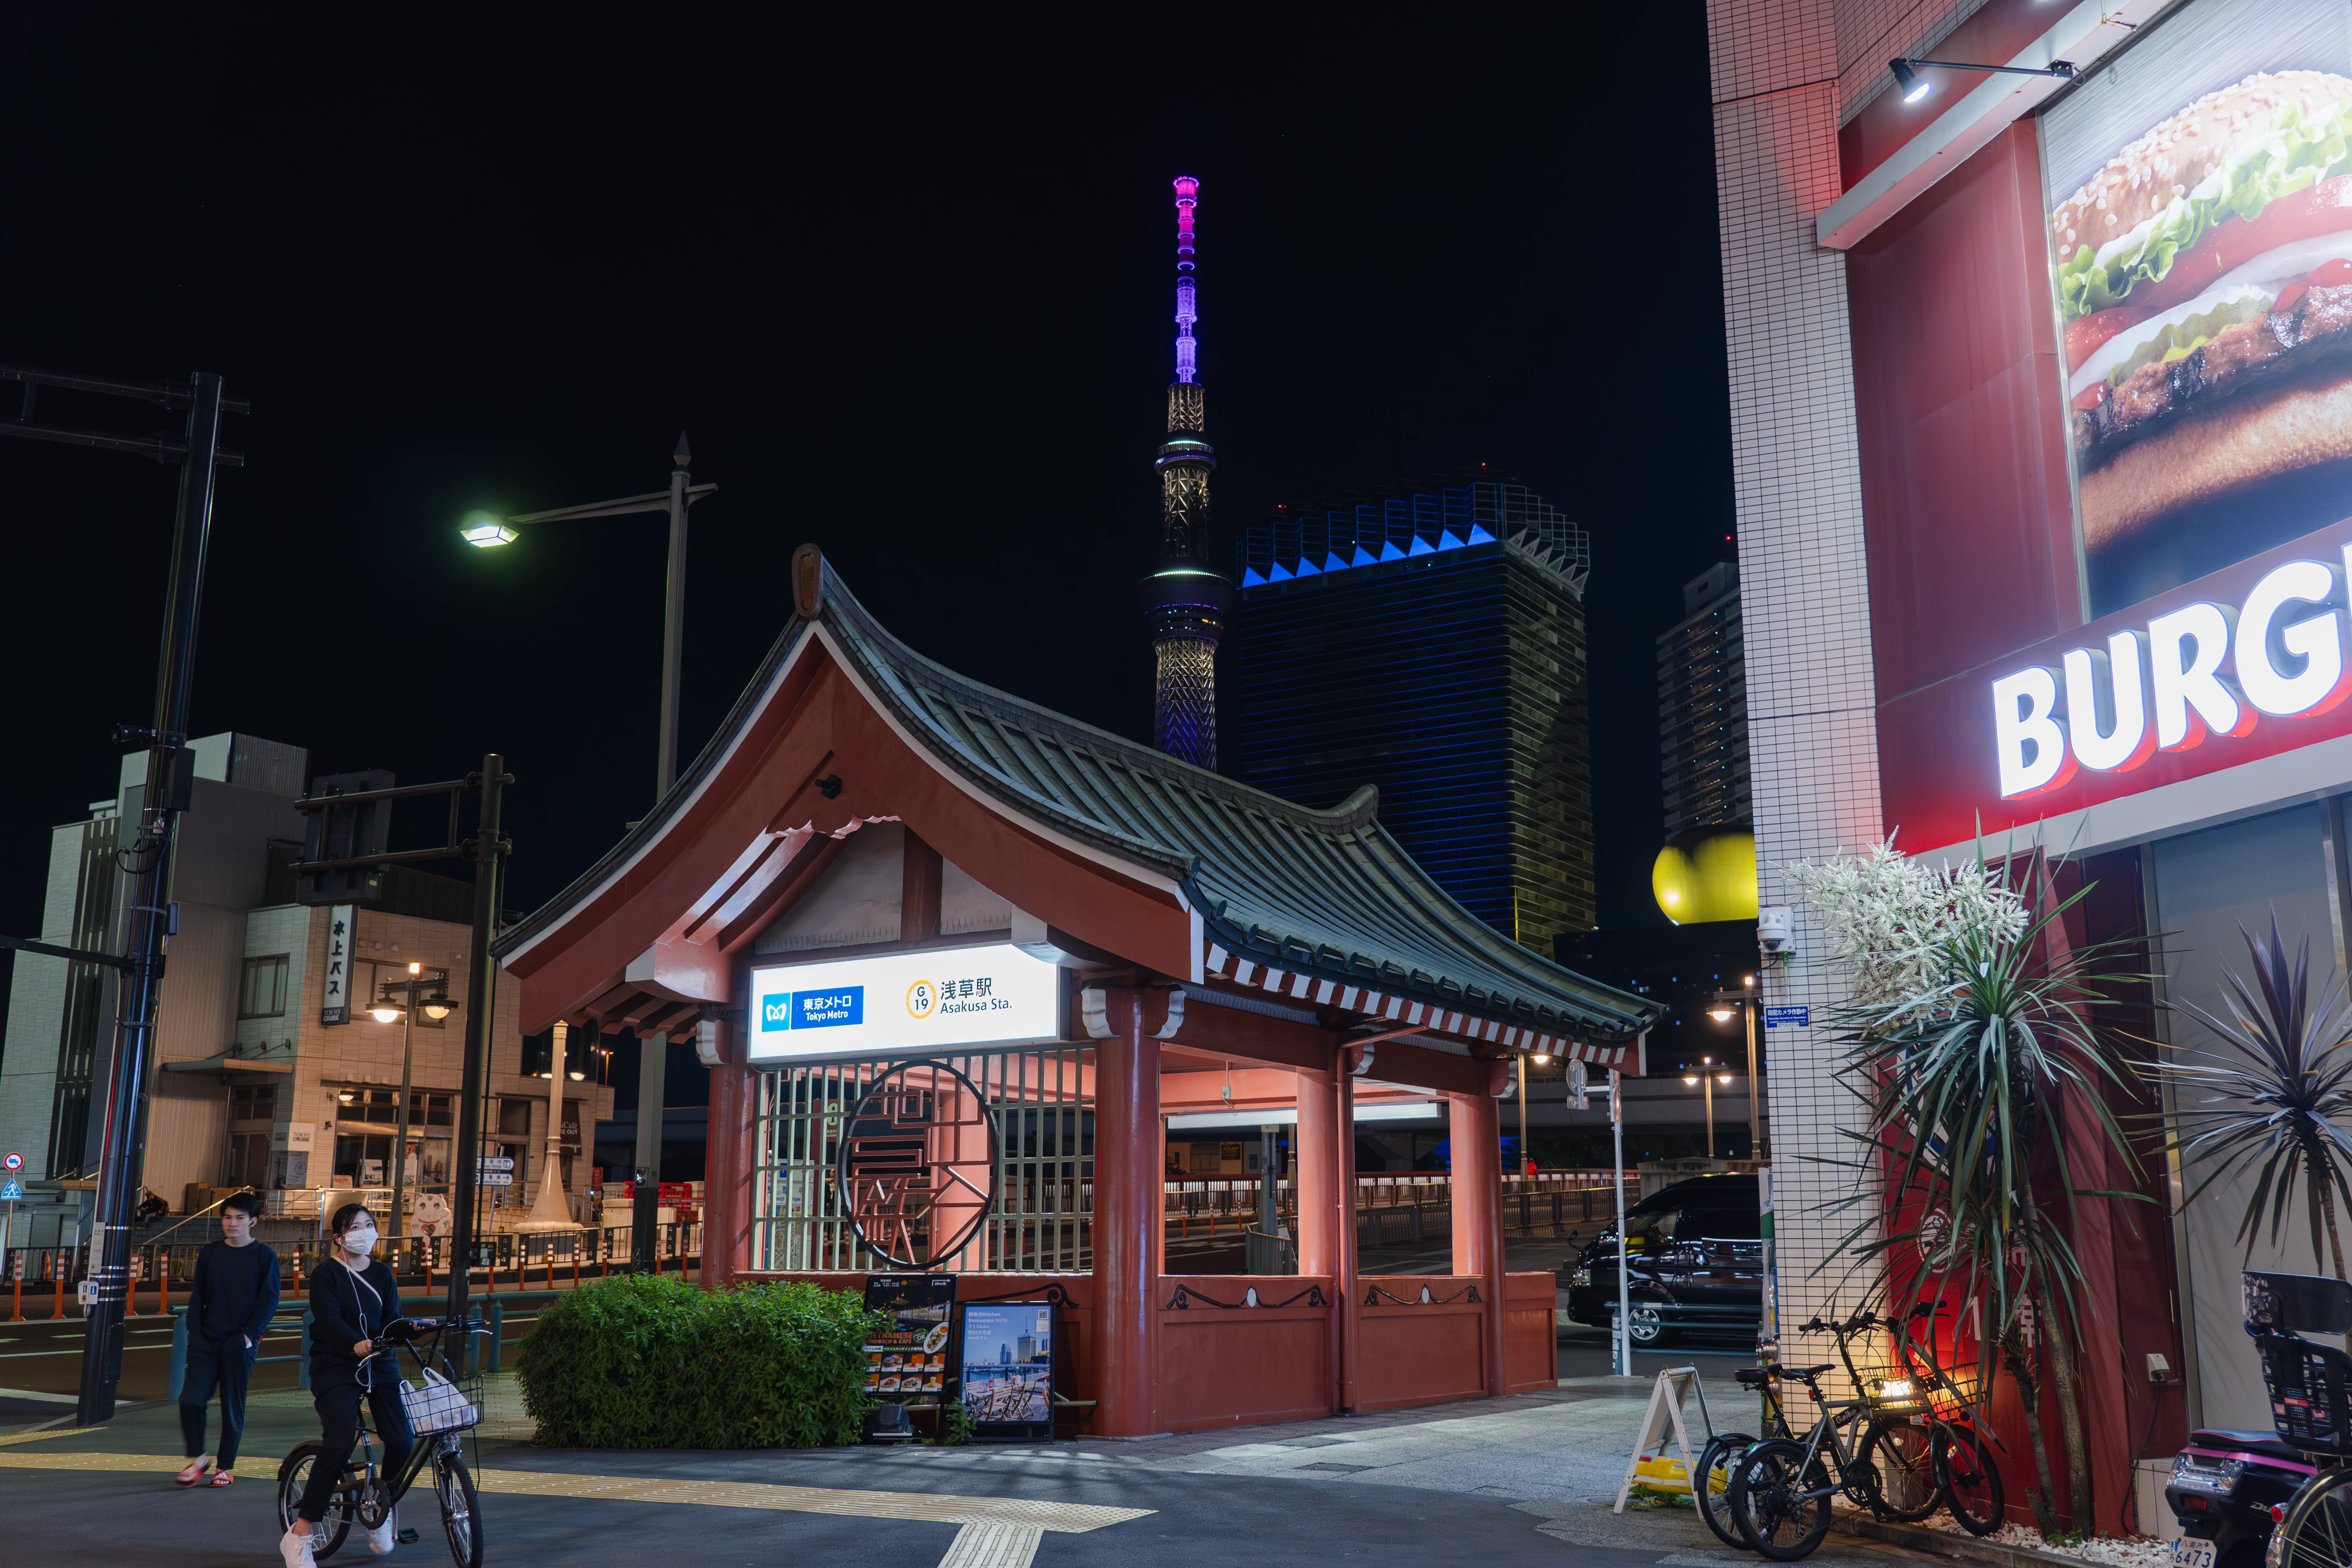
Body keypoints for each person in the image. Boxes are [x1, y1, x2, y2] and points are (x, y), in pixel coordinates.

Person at [282, 1204, 413, 1567]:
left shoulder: (384, 1274)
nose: (365, 1232)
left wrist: (410, 1327)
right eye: (355, 1227)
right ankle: (301, 1532)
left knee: (403, 1439)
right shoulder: (326, 1274)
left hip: (379, 1361)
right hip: (336, 1363)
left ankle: (380, 1508)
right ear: (338, 1236)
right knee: (340, 1441)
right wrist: (355, 1342)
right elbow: (328, 1319)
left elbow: (391, 1319)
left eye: (370, 1225)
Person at [174, 1189, 279, 1489]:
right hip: (206, 1339)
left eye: (240, 1218)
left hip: (239, 1341)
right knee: (191, 1399)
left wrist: (249, 1335)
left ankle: (226, 1466)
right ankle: (198, 1460)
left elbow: (269, 1300)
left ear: (253, 1221)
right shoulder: (211, 1253)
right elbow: (199, 1296)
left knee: (233, 1405)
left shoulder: (263, 1255)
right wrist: (196, 1329)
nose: (232, 1223)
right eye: (227, 1217)